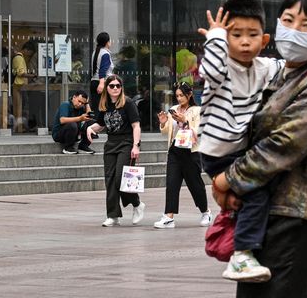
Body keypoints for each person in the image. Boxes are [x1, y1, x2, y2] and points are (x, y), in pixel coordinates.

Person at [209, 0, 307, 298]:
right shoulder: (277, 74)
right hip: (267, 208)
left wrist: (229, 179)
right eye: (288, 20)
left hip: (297, 212)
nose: (294, 29)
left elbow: (285, 143)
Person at [198, 0, 284, 281]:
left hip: (240, 149)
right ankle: (241, 255)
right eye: (236, 35)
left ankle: (230, 222)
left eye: (252, 35)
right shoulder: (221, 68)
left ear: (264, 38)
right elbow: (209, 70)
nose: (245, 42)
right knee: (257, 194)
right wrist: (215, 38)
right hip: (218, 152)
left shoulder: (263, 68)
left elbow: (290, 68)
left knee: (248, 197)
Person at [86, 74, 145, 227]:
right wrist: (89, 129)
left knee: (121, 178)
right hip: (111, 143)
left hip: (126, 142)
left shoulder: (128, 103)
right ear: (107, 88)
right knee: (110, 179)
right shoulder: (104, 104)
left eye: (118, 86)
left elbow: (136, 126)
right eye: (112, 86)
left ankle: (137, 203)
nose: (115, 88)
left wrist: (136, 146)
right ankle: (113, 215)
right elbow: (100, 125)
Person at [153, 82, 211, 229]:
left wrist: (185, 120)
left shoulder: (198, 110)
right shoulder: (173, 109)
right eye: (177, 95)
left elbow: (200, 131)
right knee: (171, 184)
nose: (179, 98)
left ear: (189, 95)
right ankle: (168, 216)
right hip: (175, 150)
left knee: (195, 185)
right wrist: (163, 123)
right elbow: (167, 132)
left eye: (181, 95)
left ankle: (205, 211)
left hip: (191, 152)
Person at [50, 90, 95, 155]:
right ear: (74, 97)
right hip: (59, 134)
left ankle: (83, 145)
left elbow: (89, 116)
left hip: (73, 133)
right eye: (79, 101)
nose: (80, 104)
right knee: (72, 124)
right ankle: (68, 148)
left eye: (82, 103)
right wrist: (80, 118)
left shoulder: (81, 107)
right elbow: (62, 120)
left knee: (92, 123)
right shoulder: (65, 105)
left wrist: (87, 103)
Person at [11, 41, 34, 132]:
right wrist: (32, 75)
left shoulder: (18, 57)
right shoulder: (19, 58)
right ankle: (20, 127)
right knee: (21, 108)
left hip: (19, 85)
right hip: (19, 85)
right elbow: (20, 73)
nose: (29, 55)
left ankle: (19, 127)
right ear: (26, 50)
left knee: (19, 108)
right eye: (30, 53)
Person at [89, 32, 114, 112]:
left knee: (97, 109)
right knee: (104, 109)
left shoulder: (96, 52)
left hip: (94, 82)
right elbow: (102, 70)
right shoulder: (105, 54)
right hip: (102, 83)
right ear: (107, 42)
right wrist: (102, 83)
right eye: (110, 40)